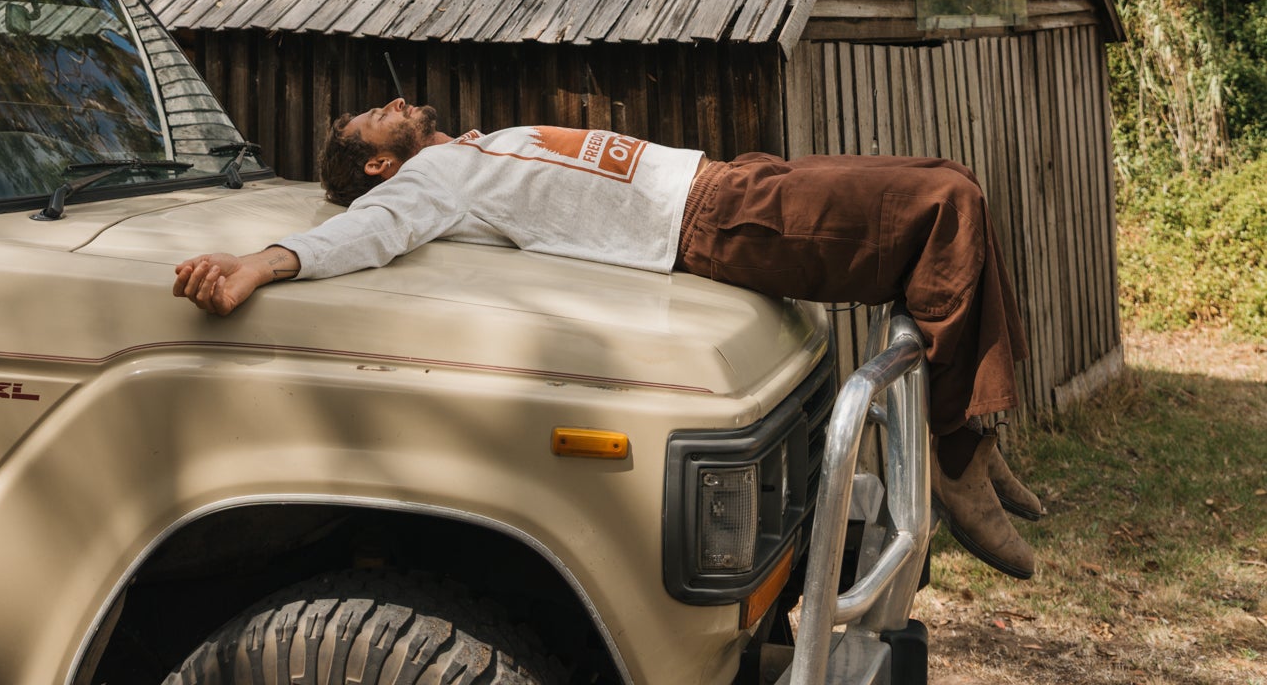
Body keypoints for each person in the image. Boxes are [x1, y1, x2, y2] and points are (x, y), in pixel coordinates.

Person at [172, 98, 1042, 580]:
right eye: (377, 117)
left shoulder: (468, 149)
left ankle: (973, 428)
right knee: (946, 209)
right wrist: (267, 262)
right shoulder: (423, 183)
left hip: (716, 175)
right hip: (708, 219)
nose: (396, 102)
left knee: (954, 178)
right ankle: (958, 457)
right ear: (376, 166)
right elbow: (366, 234)